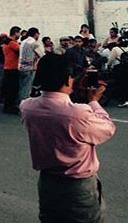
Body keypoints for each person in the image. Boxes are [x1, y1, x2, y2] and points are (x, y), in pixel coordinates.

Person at [20, 54, 115, 222]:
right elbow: (107, 129)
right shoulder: (78, 113)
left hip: (48, 182)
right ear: (67, 79)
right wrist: (93, 102)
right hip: (77, 186)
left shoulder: (27, 107)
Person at [107, 37, 128, 108]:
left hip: (119, 68)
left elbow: (111, 59)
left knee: (120, 84)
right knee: (127, 83)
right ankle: (127, 99)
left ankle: (123, 100)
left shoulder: (116, 49)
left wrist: (108, 66)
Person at [18, 27, 44, 103]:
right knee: (27, 88)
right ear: (36, 34)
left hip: (20, 67)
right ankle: (23, 105)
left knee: (22, 87)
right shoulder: (34, 43)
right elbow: (42, 55)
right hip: (30, 68)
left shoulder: (23, 41)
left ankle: (19, 103)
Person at [1, 26, 21, 114]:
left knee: (9, 89)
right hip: (13, 67)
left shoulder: (7, 42)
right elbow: (22, 50)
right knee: (13, 89)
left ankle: (8, 106)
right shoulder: (12, 43)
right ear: (16, 33)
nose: (20, 35)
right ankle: (10, 107)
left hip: (8, 67)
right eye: (19, 33)